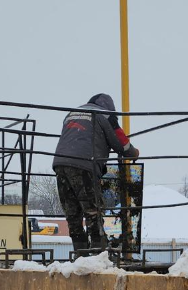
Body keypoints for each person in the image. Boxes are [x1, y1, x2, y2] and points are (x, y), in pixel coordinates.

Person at [52, 94, 139, 252]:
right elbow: (122, 144)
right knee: (93, 212)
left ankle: (80, 255)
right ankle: (98, 254)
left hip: (60, 164)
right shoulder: (105, 115)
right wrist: (133, 153)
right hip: (84, 165)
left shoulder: (71, 114)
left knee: (73, 215)